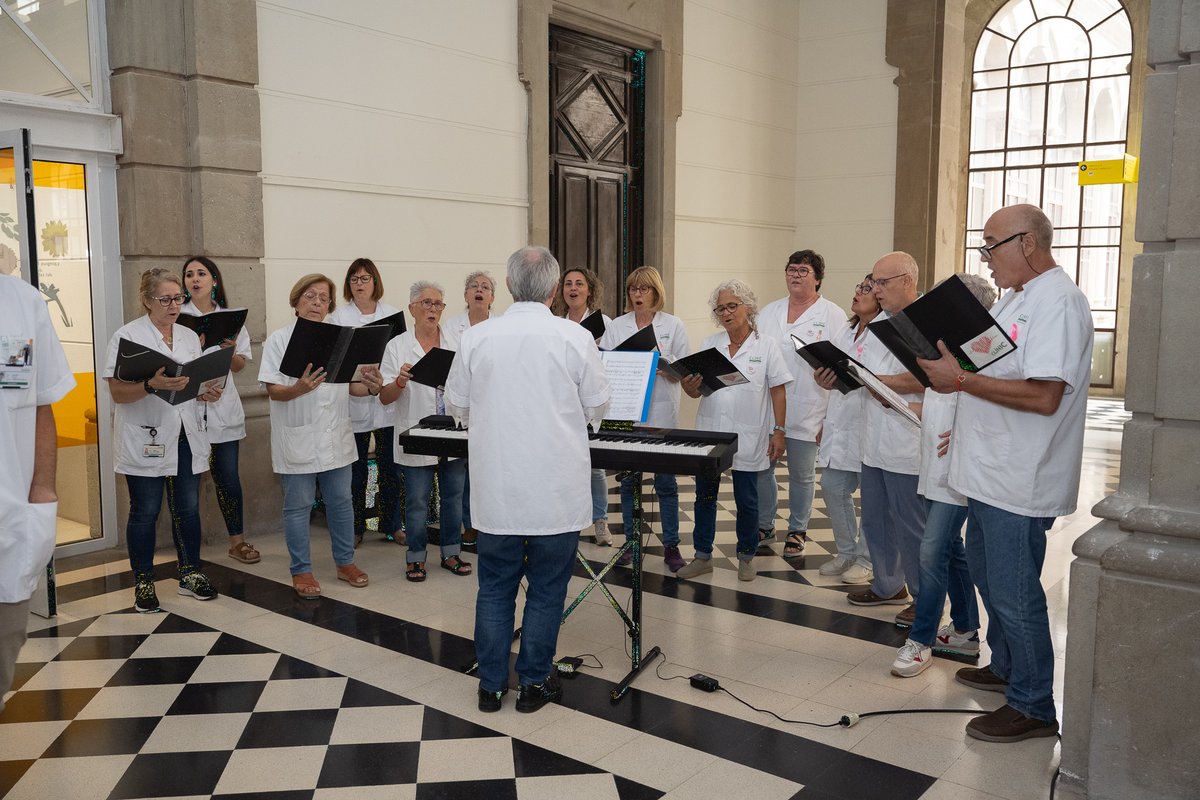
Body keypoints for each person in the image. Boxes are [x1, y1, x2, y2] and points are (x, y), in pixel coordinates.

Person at [919, 204, 1091, 743]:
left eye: (991, 245)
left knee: (1016, 593)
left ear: (1027, 244)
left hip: (1021, 478)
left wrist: (961, 384)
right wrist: (964, 414)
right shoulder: (1019, 298)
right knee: (990, 578)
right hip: (989, 468)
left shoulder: (1058, 303)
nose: (985, 257)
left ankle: (1035, 706)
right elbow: (991, 370)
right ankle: (1009, 668)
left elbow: (1043, 395)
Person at [445, 246, 610, 714]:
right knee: (547, 588)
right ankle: (535, 683)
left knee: (494, 587)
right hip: (554, 490)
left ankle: (492, 687)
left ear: (512, 285)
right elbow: (599, 407)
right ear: (556, 289)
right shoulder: (573, 337)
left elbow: (456, 406)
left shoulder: (477, 337)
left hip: (498, 489)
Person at [890, 273, 996, 679]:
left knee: (932, 551)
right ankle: (967, 630)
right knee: (950, 549)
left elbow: (990, 405)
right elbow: (937, 406)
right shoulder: (943, 352)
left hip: (957, 471)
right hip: (934, 466)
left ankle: (921, 641)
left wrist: (968, 430)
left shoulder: (981, 356)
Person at [103, 268, 224, 612]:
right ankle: (143, 581)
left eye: (179, 298)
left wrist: (206, 393)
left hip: (185, 434)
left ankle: (190, 573)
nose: (174, 305)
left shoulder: (187, 336)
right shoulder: (127, 338)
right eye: (166, 299)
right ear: (146, 301)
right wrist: (150, 385)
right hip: (146, 436)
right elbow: (117, 393)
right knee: (145, 510)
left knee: (187, 507)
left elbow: (192, 383)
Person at [258, 274, 378, 599]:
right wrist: (298, 388)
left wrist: (371, 386)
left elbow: (351, 386)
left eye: (323, 298)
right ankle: (301, 570)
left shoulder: (341, 340)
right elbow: (273, 390)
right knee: (298, 505)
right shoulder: (279, 340)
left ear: (329, 306)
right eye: (310, 296)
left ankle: (345, 562)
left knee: (341, 502)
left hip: (336, 435)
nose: (316, 303)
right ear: (296, 302)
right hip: (297, 438)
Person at [679, 279, 791, 582]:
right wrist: (689, 387)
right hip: (711, 432)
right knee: (704, 497)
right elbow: (697, 392)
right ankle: (702, 555)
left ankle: (746, 556)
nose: (727, 313)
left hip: (749, 434)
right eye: (721, 309)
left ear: (748, 307)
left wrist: (778, 431)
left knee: (747, 500)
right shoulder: (709, 344)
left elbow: (778, 391)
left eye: (732, 306)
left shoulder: (767, 346)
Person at [0, 274, 74, 711]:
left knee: (5, 645)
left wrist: (43, 490)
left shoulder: (22, 302)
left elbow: (41, 402)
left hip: (8, 519)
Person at [847, 252, 926, 626]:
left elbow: (928, 378)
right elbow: (859, 367)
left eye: (882, 283)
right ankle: (888, 584)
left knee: (911, 525)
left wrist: (879, 382)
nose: (875, 290)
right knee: (875, 519)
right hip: (873, 439)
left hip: (906, 441)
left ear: (907, 281)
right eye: (873, 282)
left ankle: (925, 597)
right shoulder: (878, 323)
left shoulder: (924, 322)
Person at [598, 267, 689, 571]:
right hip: (626, 412)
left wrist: (667, 366)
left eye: (644, 289)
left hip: (661, 411)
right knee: (628, 483)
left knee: (665, 482)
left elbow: (684, 373)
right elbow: (605, 366)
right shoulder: (618, 325)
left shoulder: (673, 325)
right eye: (633, 289)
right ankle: (630, 542)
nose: (638, 295)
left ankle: (672, 546)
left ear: (656, 292)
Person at [757, 250, 847, 557]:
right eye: (791, 269)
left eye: (803, 270)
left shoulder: (832, 315)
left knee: (802, 474)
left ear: (818, 278)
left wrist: (829, 419)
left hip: (811, 407)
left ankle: (797, 529)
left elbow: (840, 367)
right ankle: (765, 524)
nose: (795, 275)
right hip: (769, 407)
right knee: (762, 469)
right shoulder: (769, 312)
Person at [379, 280, 471, 582]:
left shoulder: (456, 342)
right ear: (412, 308)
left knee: (453, 495)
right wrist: (401, 381)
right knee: (417, 499)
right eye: (426, 303)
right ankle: (416, 557)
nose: (433, 309)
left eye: (438, 304)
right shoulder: (397, 346)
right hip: (417, 432)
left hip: (453, 430)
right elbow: (384, 396)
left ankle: (451, 552)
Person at [180, 256, 258, 564]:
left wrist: (228, 350)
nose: (194, 279)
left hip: (222, 408)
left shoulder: (231, 318)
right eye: (188, 274)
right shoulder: (177, 318)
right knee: (187, 483)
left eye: (201, 273)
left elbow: (240, 364)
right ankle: (188, 547)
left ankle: (237, 541)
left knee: (227, 477)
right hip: (188, 408)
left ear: (214, 280)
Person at [328, 258, 404, 548]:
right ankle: (356, 527)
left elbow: (397, 355)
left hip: (385, 401)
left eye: (365, 278)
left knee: (390, 471)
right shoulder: (338, 316)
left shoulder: (391, 314)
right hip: (354, 401)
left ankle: (391, 525)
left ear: (376, 282)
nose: (359, 284)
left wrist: (382, 381)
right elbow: (336, 359)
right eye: (354, 279)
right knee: (356, 473)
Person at [812, 275, 879, 584]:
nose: (858, 293)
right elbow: (833, 379)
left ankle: (867, 559)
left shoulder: (884, 334)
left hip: (872, 425)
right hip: (840, 423)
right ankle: (846, 552)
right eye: (858, 286)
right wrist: (822, 379)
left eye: (866, 289)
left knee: (872, 498)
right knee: (832, 487)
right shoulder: (845, 330)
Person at [556, 267, 613, 546]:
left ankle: (600, 521)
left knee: (596, 467)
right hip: (565, 403)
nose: (573, 288)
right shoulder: (557, 324)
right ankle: (569, 520)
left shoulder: (606, 323)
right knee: (566, 463)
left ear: (589, 289)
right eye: (568, 284)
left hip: (592, 400)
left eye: (579, 283)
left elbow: (614, 361)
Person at [444, 270, 496, 551]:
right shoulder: (450, 327)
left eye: (485, 287)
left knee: (484, 472)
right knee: (459, 472)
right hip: (459, 406)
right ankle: (464, 525)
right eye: (473, 286)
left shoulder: (501, 326)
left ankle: (480, 523)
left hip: (490, 409)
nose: (479, 290)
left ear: (492, 297)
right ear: (465, 295)